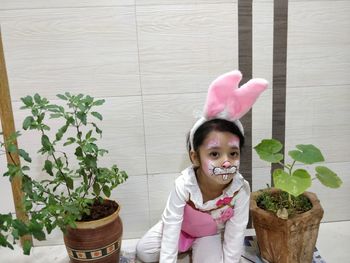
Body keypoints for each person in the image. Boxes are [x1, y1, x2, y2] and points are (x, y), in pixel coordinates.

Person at [136, 70, 268, 263]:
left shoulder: (240, 190)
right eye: (214, 154)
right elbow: (172, 226)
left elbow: (236, 234)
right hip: (180, 227)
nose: (226, 162)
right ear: (195, 157)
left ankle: (199, 246)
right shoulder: (184, 185)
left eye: (233, 153)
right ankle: (186, 245)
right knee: (144, 252)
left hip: (208, 234)